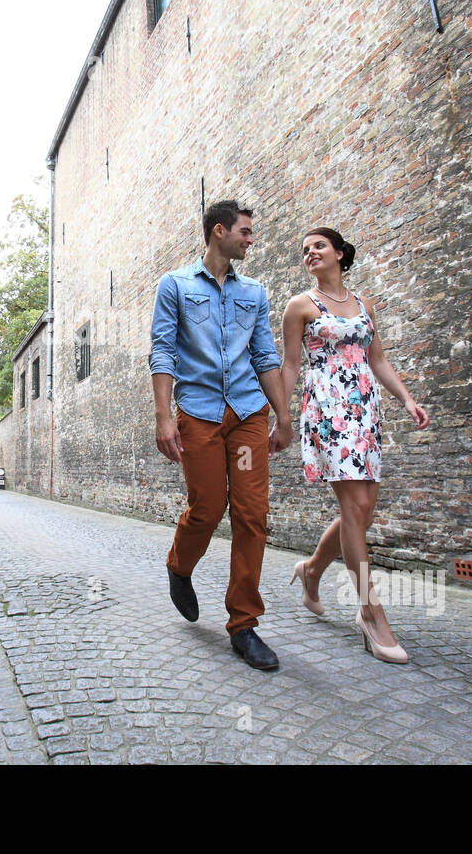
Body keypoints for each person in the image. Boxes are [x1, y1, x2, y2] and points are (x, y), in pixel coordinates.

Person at [275, 228, 429, 663]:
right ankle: (370, 611)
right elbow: (289, 364)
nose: (310, 253)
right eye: (304, 249)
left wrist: (407, 399)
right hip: (326, 411)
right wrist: (281, 416)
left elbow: (377, 359)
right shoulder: (300, 306)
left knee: (361, 514)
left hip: (365, 412)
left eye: (319, 246)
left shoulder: (364, 306)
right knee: (353, 510)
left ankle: (310, 570)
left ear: (340, 254)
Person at [149, 200, 292, 670]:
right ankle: (179, 565)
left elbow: (265, 356)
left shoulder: (254, 292)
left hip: (248, 414)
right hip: (200, 413)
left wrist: (283, 415)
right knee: (208, 508)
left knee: (252, 514)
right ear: (219, 232)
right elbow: (163, 351)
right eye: (245, 232)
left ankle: (244, 625)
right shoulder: (175, 286)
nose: (251, 240)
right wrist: (164, 416)